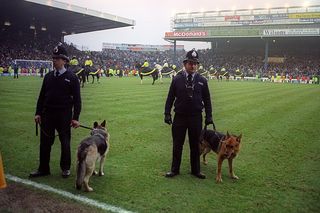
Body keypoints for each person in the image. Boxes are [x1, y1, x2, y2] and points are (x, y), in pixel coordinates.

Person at [30, 43, 82, 178]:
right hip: (47, 115)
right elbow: (41, 97)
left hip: (64, 116)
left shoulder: (72, 77)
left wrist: (75, 117)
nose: (54, 60)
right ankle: (43, 168)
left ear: (64, 60)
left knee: (65, 143)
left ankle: (65, 168)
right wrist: (38, 113)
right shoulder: (48, 77)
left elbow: (77, 100)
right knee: (45, 143)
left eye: (57, 58)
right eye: (53, 58)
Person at [164, 49, 213, 179]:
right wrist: (167, 113)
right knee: (177, 144)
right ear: (185, 64)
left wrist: (209, 116)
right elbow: (170, 98)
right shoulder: (177, 79)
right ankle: (174, 170)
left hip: (196, 117)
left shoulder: (202, 80)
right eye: (191, 63)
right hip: (179, 116)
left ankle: (195, 170)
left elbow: (207, 100)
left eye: (195, 63)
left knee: (195, 145)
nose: (193, 66)